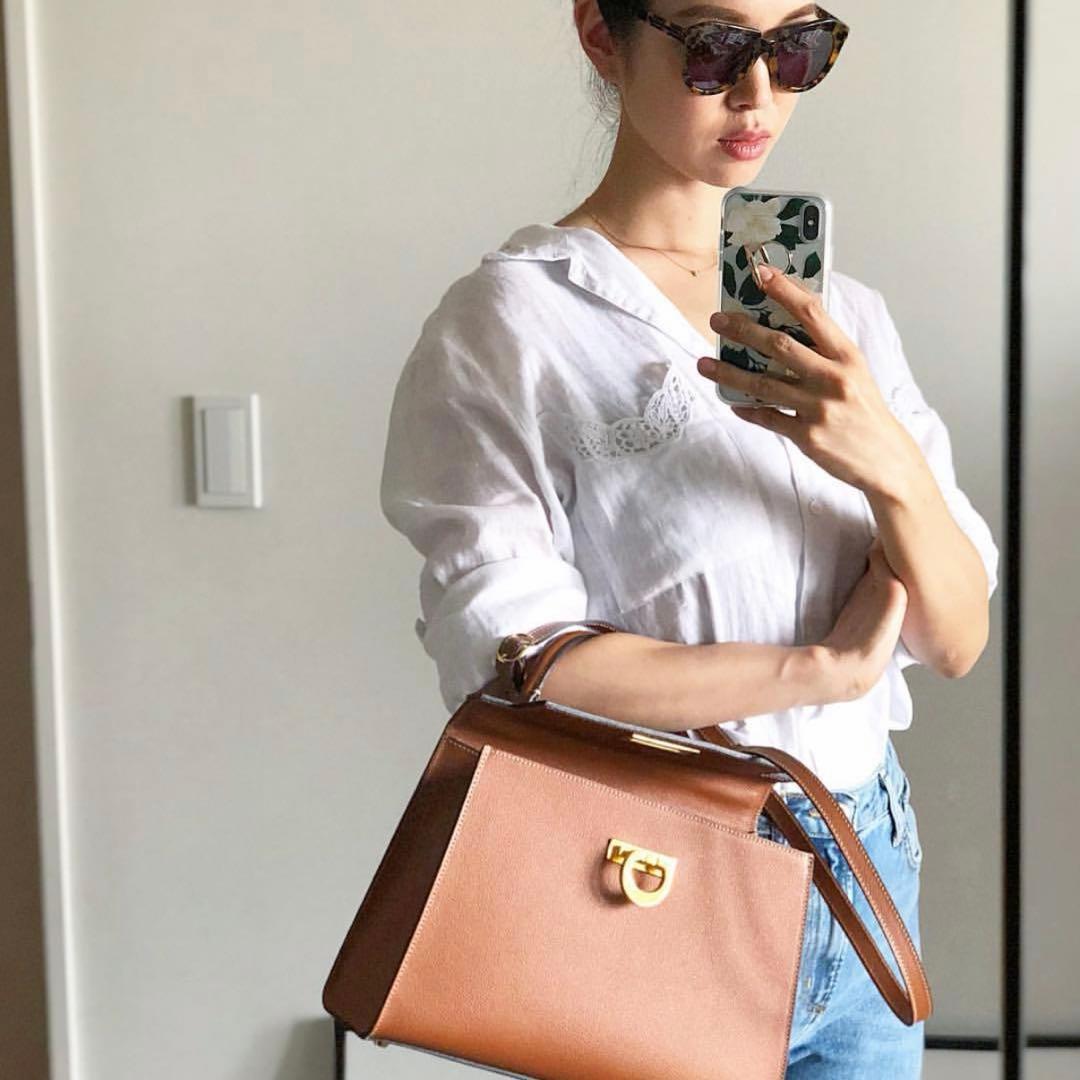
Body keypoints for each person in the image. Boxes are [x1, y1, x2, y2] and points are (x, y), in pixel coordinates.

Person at [379, 1, 999, 1075]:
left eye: (798, 48)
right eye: (716, 49)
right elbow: (519, 668)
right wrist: (820, 669)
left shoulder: (843, 318)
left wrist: (888, 463)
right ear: (601, 33)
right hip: (648, 873)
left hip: (865, 860)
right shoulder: (516, 322)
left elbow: (955, 638)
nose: (760, 93)